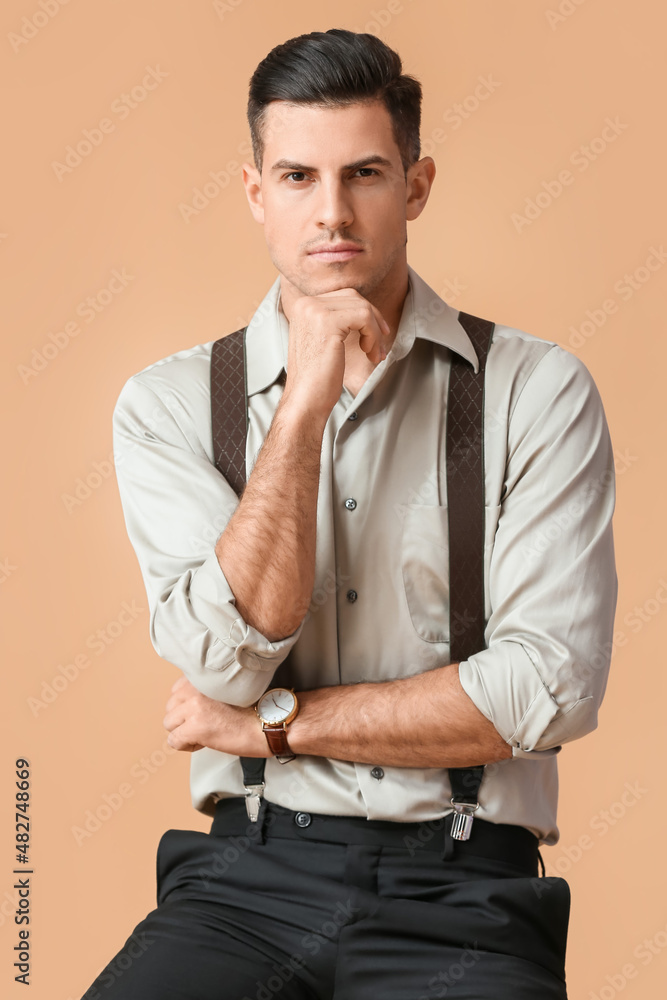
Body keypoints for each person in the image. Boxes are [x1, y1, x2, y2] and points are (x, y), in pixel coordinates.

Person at [80, 28, 617, 1000]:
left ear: (415, 185)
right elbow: (221, 659)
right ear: (255, 193)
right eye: (295, 176)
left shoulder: (535, 392)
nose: (330, 211)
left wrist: (275, 725)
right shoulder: (167, 406)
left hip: (464, 897)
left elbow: (545, 690)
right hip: (245, 886)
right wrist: (302, 403)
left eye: (363, 172)